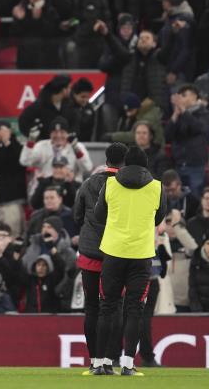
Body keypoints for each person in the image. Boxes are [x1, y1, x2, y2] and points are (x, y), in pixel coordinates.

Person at [91, 146, 166, 376]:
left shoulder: (111, 184)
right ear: (145, 164)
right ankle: (127, 364)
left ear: (124, 163)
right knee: (134, 310)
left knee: (107, 308)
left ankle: (101, 363)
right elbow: (159, 217)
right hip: (141, 255)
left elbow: (98, 215)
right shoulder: (156, 187)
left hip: (113, 253)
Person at [74, 142, 127, 375]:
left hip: (89, 253)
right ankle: (110, 360)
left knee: (92, 308)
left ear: (106, 159)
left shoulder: (88, 183)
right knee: (113, 307)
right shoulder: (127, 186)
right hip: (115, 255)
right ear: (125, 162)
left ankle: (94, 361)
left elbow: (77, 215)